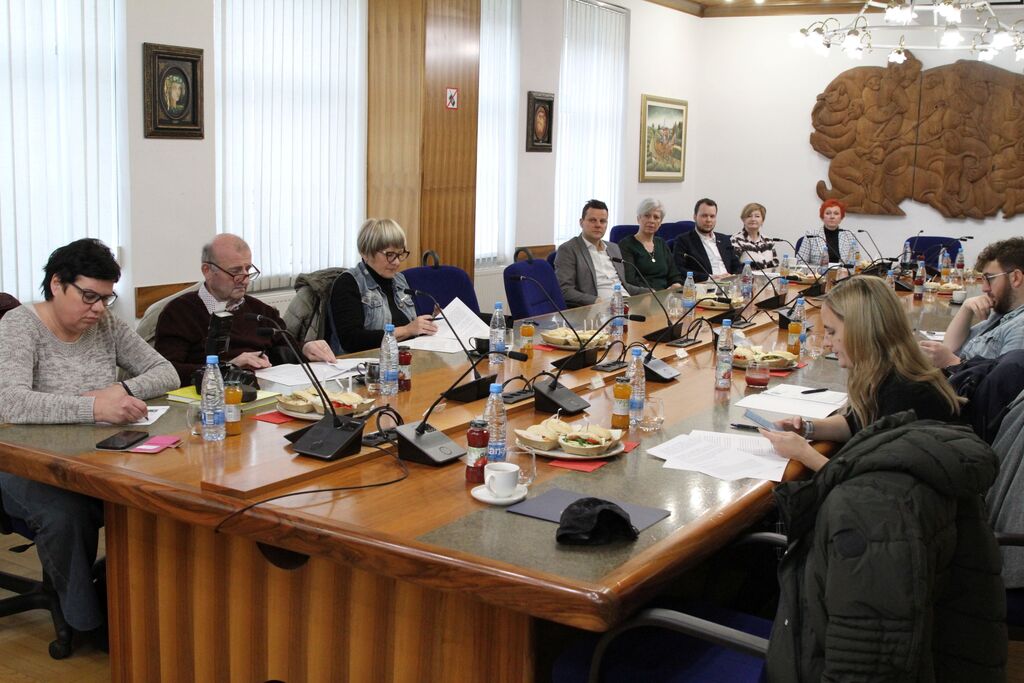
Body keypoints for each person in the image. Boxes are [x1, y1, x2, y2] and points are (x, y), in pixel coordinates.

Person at [0, 238, 178, 639]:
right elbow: (11, 403)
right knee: (66, 515)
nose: (98, 308)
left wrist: (121, 390)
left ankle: (140, 607)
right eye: (89, 296)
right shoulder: (19, 325)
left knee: (155, 495)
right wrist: (93, 408)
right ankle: (88, 625)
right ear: (56, 284)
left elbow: (166, 372)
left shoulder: (105, 324)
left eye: (106, 298)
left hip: (97, 454)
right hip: (23, 462)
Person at [760, 275, 961, 472]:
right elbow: (857, 422)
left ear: (861, 331)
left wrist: (804, 453)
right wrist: (807, 428)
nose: (826, 343)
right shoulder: (888, 373)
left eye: (832, 332)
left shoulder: (906, 395)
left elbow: (869, 483)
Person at [155, 234, 337, 385]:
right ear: (207, 271)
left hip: (263, 391)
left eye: (248, 269)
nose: (245, 279)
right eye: (235, 272)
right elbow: (167, 372)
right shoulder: (179, 313)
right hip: (209, 399)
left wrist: (305, 348)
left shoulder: (262, 312)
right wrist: (228, 367)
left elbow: (286, 346)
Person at [328, 218, 437, 354]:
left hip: (403, 357)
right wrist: (407, 330)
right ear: (365, 252)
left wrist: (427, 324)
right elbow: (351, 340)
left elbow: (410, 324)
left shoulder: (399, 279)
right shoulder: (348, 283)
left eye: (400, 254)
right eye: (390, 254)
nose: (397, 262)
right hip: (363, 363)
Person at [920, 237, 1024, 369]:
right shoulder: (1005, 312)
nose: (984, 288)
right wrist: (966, 308)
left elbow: (1005, 380)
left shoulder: (1020, 328)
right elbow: (950, 347)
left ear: (1016, 278)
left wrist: (952, 362)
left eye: (989, 279)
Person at [553, 199, 646, 307]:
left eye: (602, 221)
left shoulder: (613, 248)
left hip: (626, 304)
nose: (598, 225)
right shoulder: (568, 249)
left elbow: (624, 286)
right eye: (592, 220)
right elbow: (564, 290)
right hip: (598, 308)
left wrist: (649, 291)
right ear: (581, 222)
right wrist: (595, 301)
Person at [617, 198, 683, 291]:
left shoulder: (661, 243)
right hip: (643, 295)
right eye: (647, 216)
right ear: (638, 219)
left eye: (656, 217)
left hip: (667, 294)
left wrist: (676, 284)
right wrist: (653, 291)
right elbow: (630, 280)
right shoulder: (626, 245)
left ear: (660, 223)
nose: (651, 221)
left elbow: (674, 274)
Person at [671, 198, 741, 283]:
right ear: (695, 217)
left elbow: (736, 265)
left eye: (712, 216)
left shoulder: (724, 239)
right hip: (706, 285)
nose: (708, 220)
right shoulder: (684, 240)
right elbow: (679, 269)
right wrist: (709, 278)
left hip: (730, 283)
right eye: (704, 216)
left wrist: (733, 276)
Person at [797, 198, 858, 265]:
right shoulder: (811, 235)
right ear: (822, 217)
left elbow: (856, 262)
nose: (832, 216)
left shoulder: (849, 236)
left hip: (843, 271)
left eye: (836, 213)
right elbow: (800, 262)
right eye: (828, 213)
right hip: (818, 271)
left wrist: (846, 270)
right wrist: (817, 269)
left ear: (841, 218)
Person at [729, 202, 778, 271]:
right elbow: (733, 268)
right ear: (743, 219)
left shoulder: (769, 241)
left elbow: (775, 267)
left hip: (769, 277)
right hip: (747, 277)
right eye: (749, 216)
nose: (753, 219)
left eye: (757, 216)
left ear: (762, 220)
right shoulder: (736, 240)